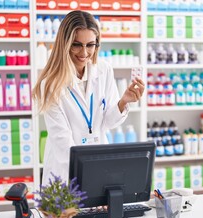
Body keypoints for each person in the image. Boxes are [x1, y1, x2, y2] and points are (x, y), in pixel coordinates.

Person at [32, 10, 145, 186]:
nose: (84, 52)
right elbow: (63, 142)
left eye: (90, 45)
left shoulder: (104, 69)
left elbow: (107, 123)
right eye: (77, 44)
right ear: (65, 44)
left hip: (99, 164)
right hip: (65, 172)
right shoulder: (50, 85)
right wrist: (93, 176)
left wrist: (123, 102)